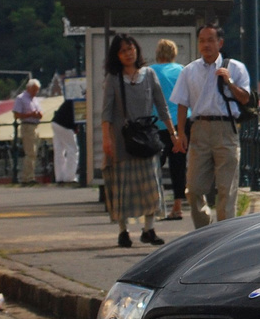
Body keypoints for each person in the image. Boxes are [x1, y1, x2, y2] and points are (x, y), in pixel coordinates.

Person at [101, 34, 177, 248]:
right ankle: (123, 230)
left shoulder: (150, 74)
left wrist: (173, 133)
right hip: (122, 140)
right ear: (117, 55)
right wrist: (106, 138)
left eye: (131, 48)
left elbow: (162, 106)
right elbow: (106, 113)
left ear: (137, 50)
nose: (128, 53)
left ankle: (148, 229)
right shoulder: (113, 78)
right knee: (123, 186)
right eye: (123, 50)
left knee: (151, 184)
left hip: (147, 137)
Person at [171, 24, 251, 228]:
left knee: (226, 188)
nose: (206, 45)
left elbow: (245, 99)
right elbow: (182, 103)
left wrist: (229, 81)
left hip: (226, 128)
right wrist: (180, 134)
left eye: (210, 40)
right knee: (194, 188)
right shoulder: (189, 70)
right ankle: (205, 229)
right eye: (202, 40)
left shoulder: (236, 67)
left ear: (220, 43)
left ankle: (223, 234)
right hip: (199, 128)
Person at [149, 39, 187, 220]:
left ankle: (156, 204)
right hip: (181, 123)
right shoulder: (181, 70)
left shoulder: (150, 72)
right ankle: (178, 206)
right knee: (178, 165)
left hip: (158, 123)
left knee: (155, 165)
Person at [13, 78, 44, 185]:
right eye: (34, 90)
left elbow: (40, 112)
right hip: (27, 126)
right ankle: (27, 178)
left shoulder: (35, 99)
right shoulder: (21, 98)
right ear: (28, 88)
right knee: (30, 152)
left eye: (37, 90)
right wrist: (30, 114)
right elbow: (16, 115)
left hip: (35, 126)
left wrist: (39, 115)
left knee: (34, 153)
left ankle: (29, 176)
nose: (36, 92)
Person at [52, 96, 79, 184]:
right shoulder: (80, 101)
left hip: (55, 122)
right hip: (65, 125)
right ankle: (70, 177)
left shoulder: (72, 99)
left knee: (59, 150)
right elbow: (77, 117)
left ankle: (59, 177)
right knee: (73, 149)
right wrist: (75, 127)